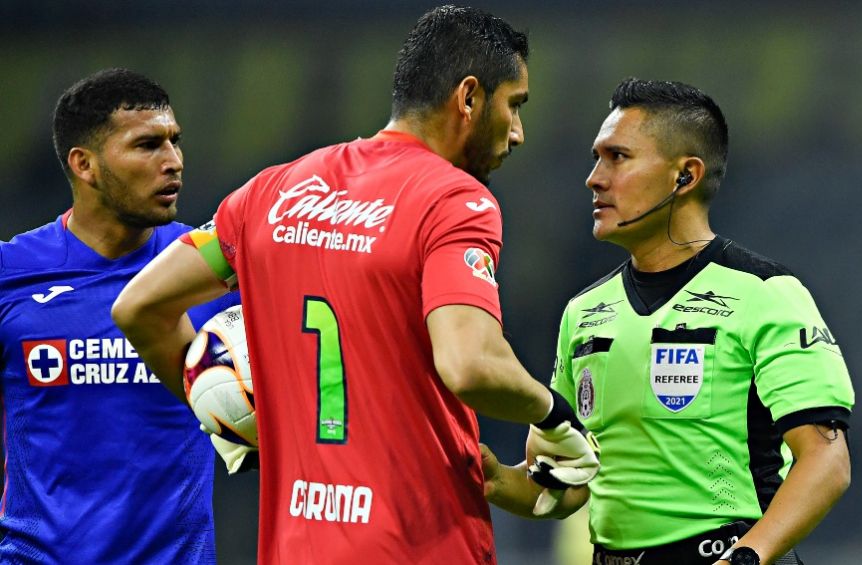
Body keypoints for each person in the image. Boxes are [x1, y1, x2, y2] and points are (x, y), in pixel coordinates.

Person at [112, 6, 598, 564]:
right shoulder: (454, 200)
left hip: (296, 546)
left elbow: (140, 306)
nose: (517, 132)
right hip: (419, 547)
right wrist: (556, 416)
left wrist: (235, 414)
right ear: (468, 98)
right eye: (514, 106)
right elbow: (472, 365)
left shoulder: (271, 192)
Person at [482, 78, 854, 565]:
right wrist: (490, 477)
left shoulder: (767, 295)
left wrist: (747, 559)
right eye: (597, 158)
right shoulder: (583, 313)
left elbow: (827, 461)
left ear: (686, 175)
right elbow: (562, 486)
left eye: (618, 157)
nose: (594, 178)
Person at [0, 68, 238, 563]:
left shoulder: (212, 270)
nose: (172, 162)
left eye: (175, 142)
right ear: (84, 165)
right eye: (147, 145)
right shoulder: (11, 272)